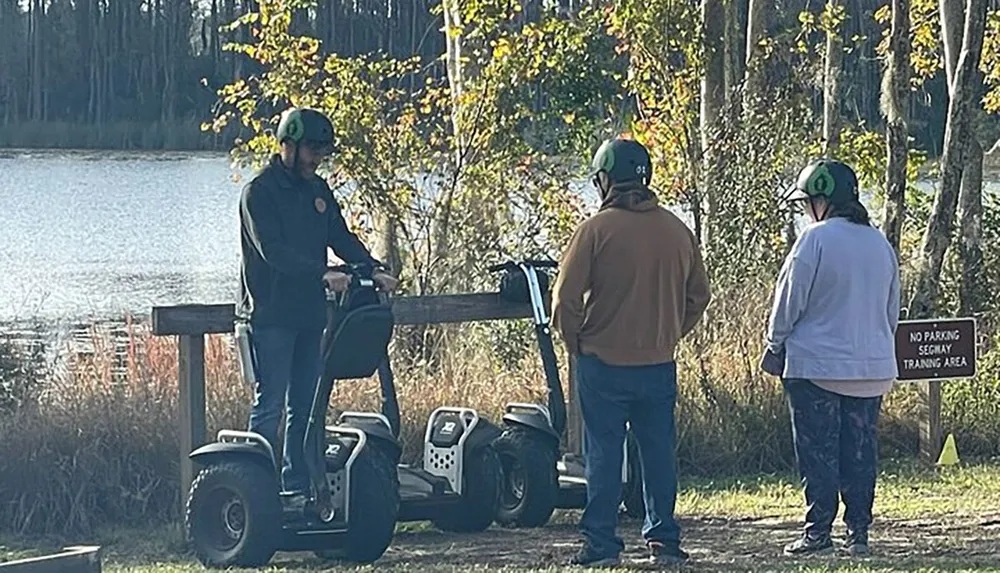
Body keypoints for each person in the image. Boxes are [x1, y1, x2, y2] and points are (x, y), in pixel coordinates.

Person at [552, 137, 711, 567]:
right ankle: (664, 540)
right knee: (658, 452)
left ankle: (602, 545)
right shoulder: (678, 230)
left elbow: (564, 298)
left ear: (604, 180)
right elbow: (699, 296)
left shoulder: (594, 231)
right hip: (658, 362)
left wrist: (576, 343)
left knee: (604, 452)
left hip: (602, 361)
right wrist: (671, 333)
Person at [237, 106, 399, 507]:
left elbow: (340, 237)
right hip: (271, 315)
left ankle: (295, 487)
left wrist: (372, 268)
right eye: (311, 149)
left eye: (321, 151)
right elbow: (272, 251)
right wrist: (321, 274)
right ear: (287, 146)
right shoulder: (259, 193)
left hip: (309, 316)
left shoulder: (318, 191)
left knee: (306, 405)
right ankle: (256, 491)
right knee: (270, 404)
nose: (316, 158)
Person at [762, 159, 900, 557]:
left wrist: (775, 345)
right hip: (871, 367)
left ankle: (817, 532)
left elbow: (789, 301)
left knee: (818, 452)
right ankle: (859, 533)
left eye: (809, 202)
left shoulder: (814, 239)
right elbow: (891, 311)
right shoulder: (880, 244)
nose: (807, 210)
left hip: (816, 365)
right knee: (860, 452)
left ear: (823, 201)